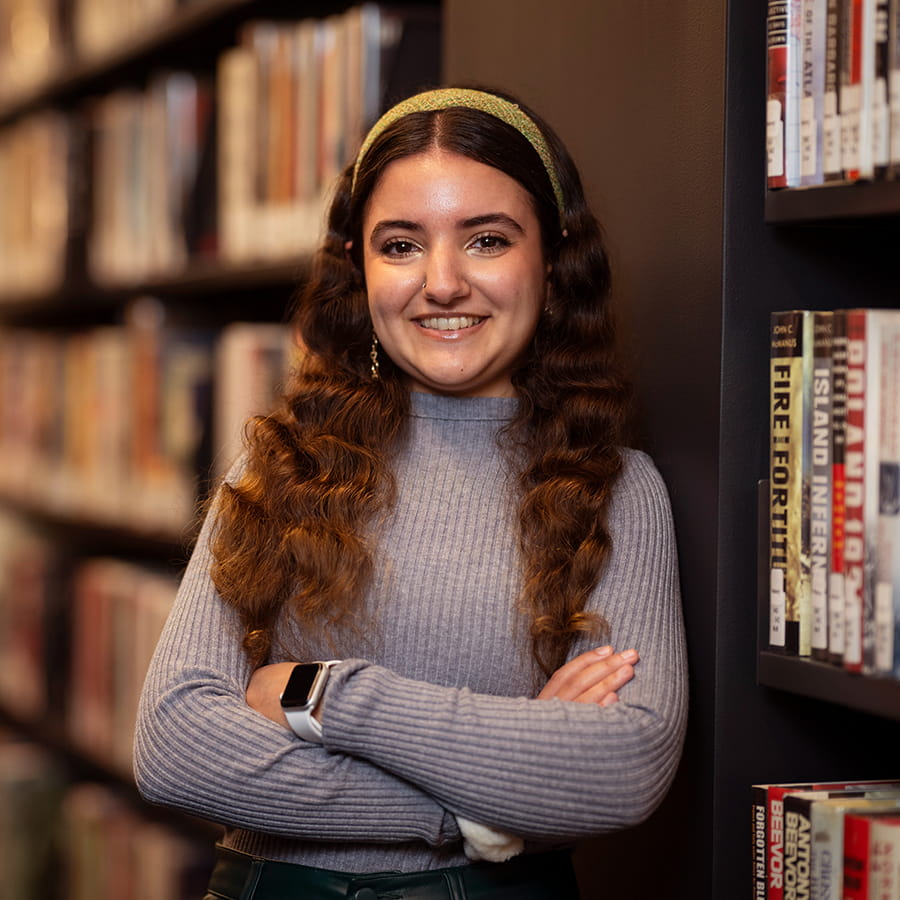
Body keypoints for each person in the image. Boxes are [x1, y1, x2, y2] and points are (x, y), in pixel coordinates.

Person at [134, 86, 688, 900]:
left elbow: (624, 768)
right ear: (358, 268)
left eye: (488, 240)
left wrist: (322, 694)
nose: (442, 282)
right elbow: (174, 744)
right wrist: (488, 801)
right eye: (400, 245)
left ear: (554, 258)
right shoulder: (277, 468)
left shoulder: (616, 489)